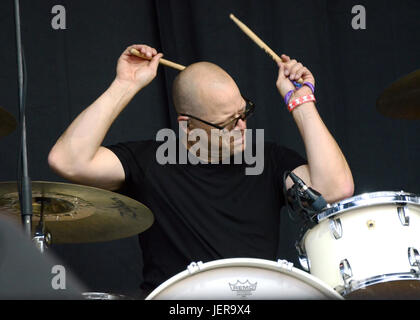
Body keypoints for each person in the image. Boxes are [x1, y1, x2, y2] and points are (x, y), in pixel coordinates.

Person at [48, 44, 354, 297]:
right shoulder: (151, 160)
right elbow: (68, 160)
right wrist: (124, 85)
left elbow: (335, 190)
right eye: (227, 123)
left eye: (244, 111)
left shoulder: (267, 157)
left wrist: (301, 101)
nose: (243, 126)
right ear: (187, 126)